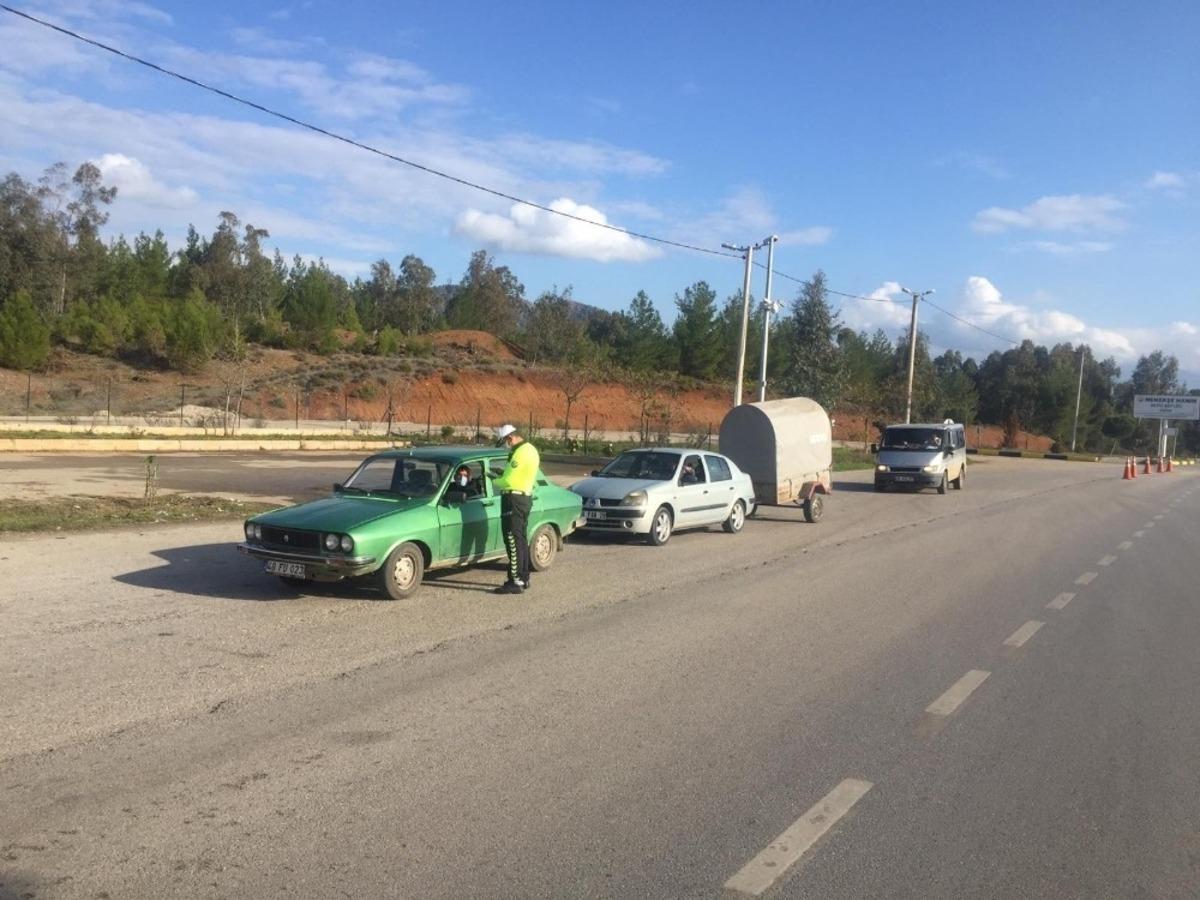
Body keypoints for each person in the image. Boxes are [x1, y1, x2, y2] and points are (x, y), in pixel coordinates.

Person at [489, 423, 539, 594]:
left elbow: (509, 481)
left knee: (512, 539)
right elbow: (520, 475)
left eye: (505, 442)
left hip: (514, 499)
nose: (506, 446)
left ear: (510, 438)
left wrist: (494, 479)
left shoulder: (520, 452)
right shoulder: (530, 449)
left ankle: (515, 581)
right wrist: (502, 474)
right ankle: (523, 578)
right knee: (521, 539)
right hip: (524, 498)